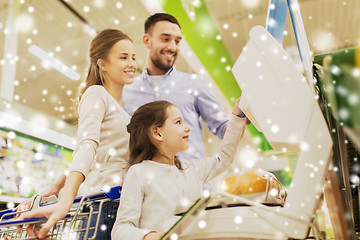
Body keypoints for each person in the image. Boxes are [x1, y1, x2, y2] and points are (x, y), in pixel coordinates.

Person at [18, 29, 137, 239]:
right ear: (103, 64)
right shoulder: (96, 93)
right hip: (108, 206)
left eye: (133, 57)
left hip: (122, 207)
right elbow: (87, 145)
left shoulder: (122, 111)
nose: (132, 63)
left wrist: (56, 185)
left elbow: (96, 157)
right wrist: (65, 199)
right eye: (123, 57)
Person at [111, 98, 251, 240]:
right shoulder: (139, 173)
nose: (187, 128)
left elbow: (224, 158)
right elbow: (120, 229)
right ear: (157, 133)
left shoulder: (192, 169)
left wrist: (237, 117)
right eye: (178, 122)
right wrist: (152, 237)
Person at [123, 13, 229, 161]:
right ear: (147, 41)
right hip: (146, 181)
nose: (172, 47)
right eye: (165, 39)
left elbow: (225, 128)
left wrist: (241, 117)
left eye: (177, 41)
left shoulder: (195, 84)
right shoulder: (126, 91)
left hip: (191, 180)